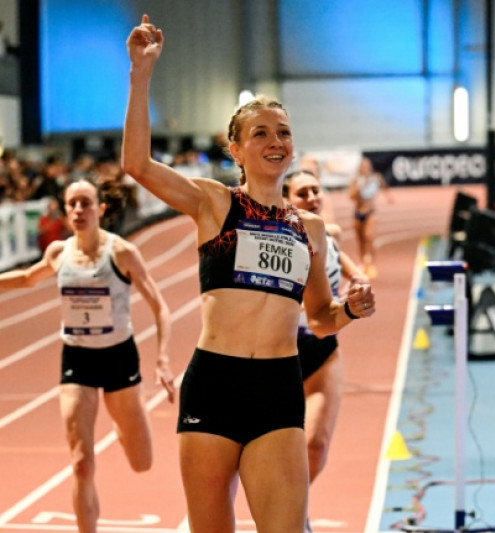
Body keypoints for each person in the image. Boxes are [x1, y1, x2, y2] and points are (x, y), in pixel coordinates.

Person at [122, 15, 376, 533]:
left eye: (283, 132)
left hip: (277, 388)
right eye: (259, 133)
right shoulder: (214, 204)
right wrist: (141, 75)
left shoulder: (310, 228)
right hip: (213, 384)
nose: (274, 140)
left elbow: (321, 320)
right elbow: (137, 165)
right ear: (235, 149)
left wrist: (350, 309)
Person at [0, 179, 175, 533]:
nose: (78, 211)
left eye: (85, 203)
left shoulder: (122, 252)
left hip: (119, 359)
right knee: (81, 462)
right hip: (77, 359)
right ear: (65, 213)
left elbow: (160, 306)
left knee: (141, 461)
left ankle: (123, 421)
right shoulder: (60, 253)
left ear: (101, 208)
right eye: (72, 205)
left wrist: (162, 359)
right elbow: (27, 278)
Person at [284, 169, 368, 529]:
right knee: (279, 455)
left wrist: (359, 283)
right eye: (303, 193)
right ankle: (287, 516)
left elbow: (350, 267)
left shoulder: (327, 234)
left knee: (314, 448)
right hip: (281, 355)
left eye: (316, 190)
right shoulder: (276, 239)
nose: (313, 197)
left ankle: (290, 515)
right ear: (287, 200)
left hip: (322, 353)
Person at [348, 156, 392, 279]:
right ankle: (363, 263)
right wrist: (358, 187)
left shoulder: (375, 178)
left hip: (370, 213)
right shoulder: (356, 180)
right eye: (363, 167)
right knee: (360, 240)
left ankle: (372, 264)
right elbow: (351, 197)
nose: (365, 169)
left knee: (369, 237)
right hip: (357, 213)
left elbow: (383, 185)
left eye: (367, 167)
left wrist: (388, 197)